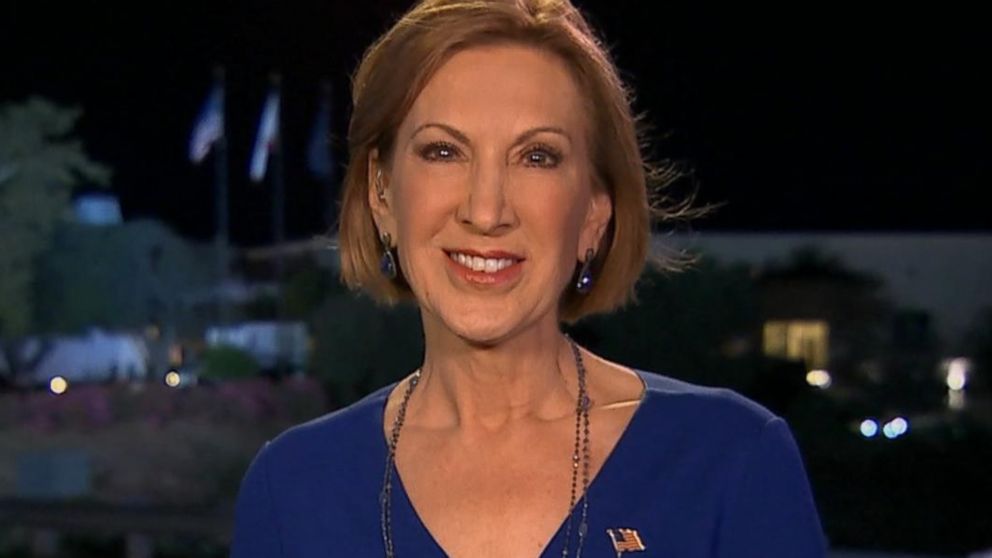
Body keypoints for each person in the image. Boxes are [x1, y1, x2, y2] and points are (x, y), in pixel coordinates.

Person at [231, 0, 827, 556]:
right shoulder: (291, 489)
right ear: (381, 194)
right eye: (443, 151)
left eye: (537, 157)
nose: (486, 211)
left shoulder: (731, 461)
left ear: (594, 212)